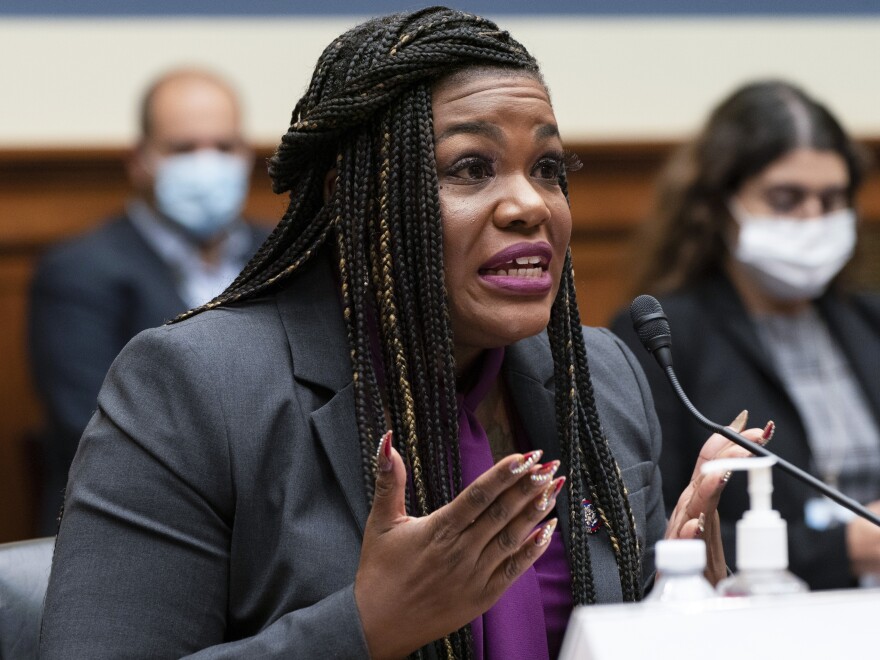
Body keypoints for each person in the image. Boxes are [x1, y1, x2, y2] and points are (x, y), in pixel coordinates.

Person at [40, 9, 762, 659]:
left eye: (547, 168)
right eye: (470, 168)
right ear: (355, 203)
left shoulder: (599, 377)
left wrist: (676, 616)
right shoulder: (196, 389)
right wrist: (364, 626)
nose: (529, 205)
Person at [611, 80, 880, 591]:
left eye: (832, 199)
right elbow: (657, 534)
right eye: (786, 199)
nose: (813, 219)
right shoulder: (663, 340)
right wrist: (842, 549)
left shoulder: (870, 321)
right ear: (719, 205)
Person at [28, 68, 269, 534]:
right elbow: (92, 431)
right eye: (182, 149)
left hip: (268, 528)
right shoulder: (77, 273)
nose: (207, 165)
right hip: (127, 527)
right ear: (139, 160)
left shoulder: (288, 256)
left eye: (223, 147)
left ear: (245, 155)